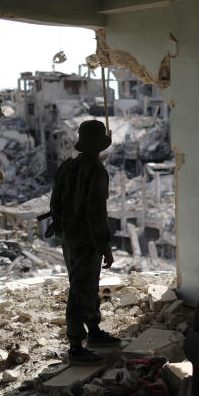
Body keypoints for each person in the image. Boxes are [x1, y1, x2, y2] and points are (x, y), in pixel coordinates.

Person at [49, 120, 120, 364]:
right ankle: (76, 347)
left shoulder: (67, 167)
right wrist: (105, 247)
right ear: (99, 146)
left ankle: (94, 332)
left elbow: (55, 203)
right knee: (81, 289)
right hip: (87, 241)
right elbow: (96, 213)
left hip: (69, 238)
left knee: (85, 285)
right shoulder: (97, 172)